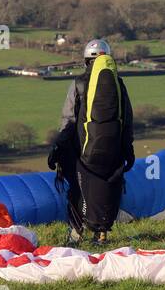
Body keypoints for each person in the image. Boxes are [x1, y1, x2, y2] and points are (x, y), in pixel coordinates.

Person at [48, 38, 134, 248]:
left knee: (78, 188)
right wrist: (127, 148)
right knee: (108, 188)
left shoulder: (77, 84)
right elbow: (127, 120)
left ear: (86, 60)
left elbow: (68, 119)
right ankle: (101, 232)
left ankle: (76, 233)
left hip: (83, 149)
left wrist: (58, 146)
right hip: (113, 149)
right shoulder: (118, 85)